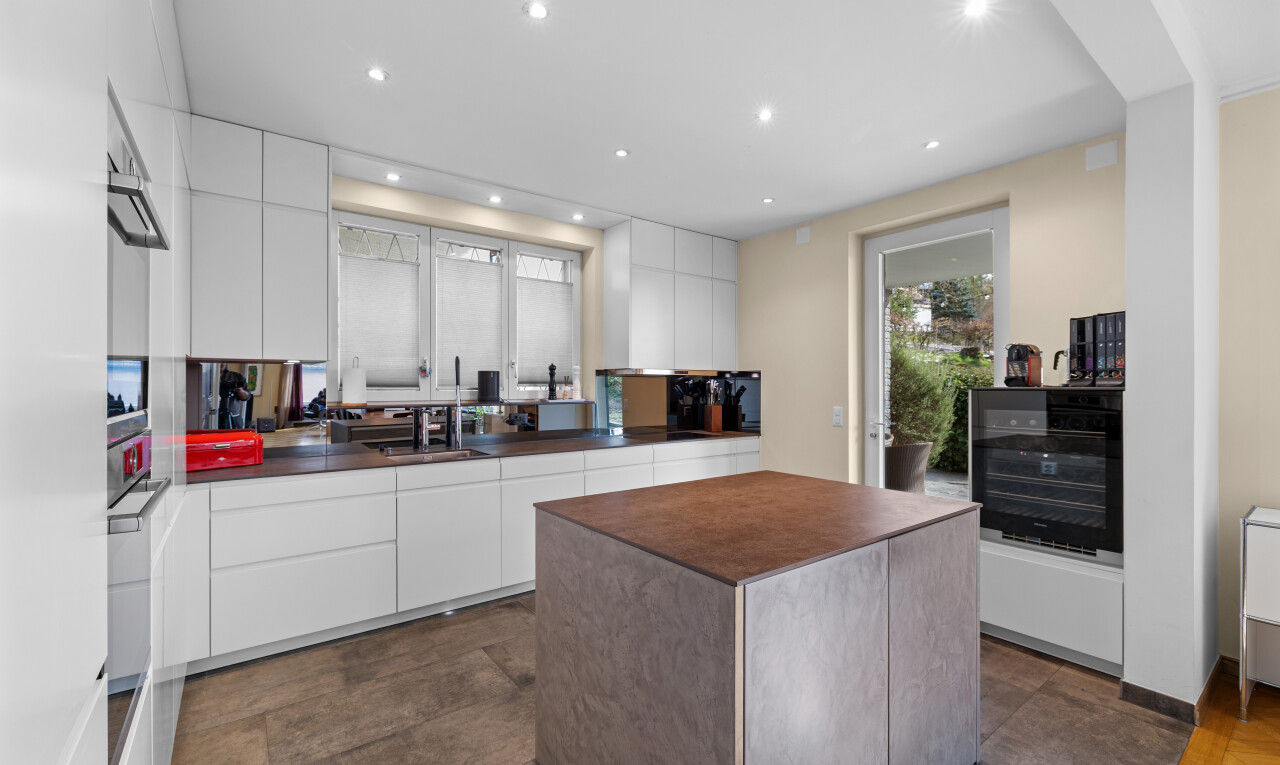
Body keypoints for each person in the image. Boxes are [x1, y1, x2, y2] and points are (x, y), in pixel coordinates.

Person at [217, 364, 250, 429]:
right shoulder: (207, 376)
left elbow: (246, 397)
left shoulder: (237, 376)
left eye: (222, 361)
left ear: (226, 363)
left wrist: (240, 390)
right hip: (212, 417)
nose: (220, 363)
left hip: (233, 418)